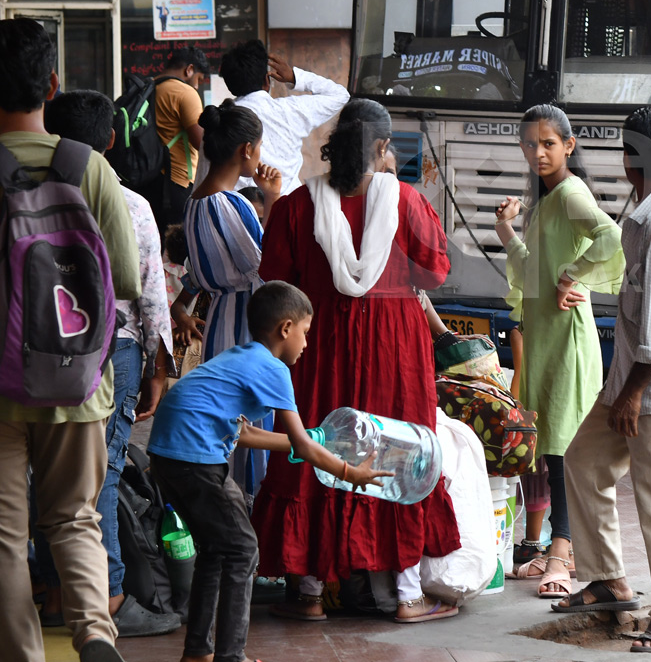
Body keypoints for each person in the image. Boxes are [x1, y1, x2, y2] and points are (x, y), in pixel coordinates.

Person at [251, 98, 460, 624]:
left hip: (317, 344)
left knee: (317, 446)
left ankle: (310, 592)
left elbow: (274, 273)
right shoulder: (407, 202)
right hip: (395, 352)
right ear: (383, 147)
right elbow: (434, 273)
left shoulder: (300, 206)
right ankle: (407, 595)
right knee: (401, 451)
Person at [148, 281, 387, 662]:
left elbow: (245, 433)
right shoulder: (273, 368)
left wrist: (313, 440)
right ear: (286, 328)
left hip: (172, 452)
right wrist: (349, 472)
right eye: (305, 334)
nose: (306, 344)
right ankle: (231, 656)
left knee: (216, 550)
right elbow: (302, 446)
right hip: (192, 457)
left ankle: (198, 652)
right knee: (243, 550)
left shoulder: (243, 357)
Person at [0, 19, 141, 662]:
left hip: (0, 384)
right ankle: (93, 634)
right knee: (74, 517)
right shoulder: (89, 168)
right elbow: (128, 280)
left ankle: (23, 652)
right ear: (52, 85)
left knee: (5, 533)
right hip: (78, 379)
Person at [554, 106, 651, 654]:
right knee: (585, 461)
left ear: (630, 159)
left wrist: (634, 393)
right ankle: (608, 581)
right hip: (632, 382)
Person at [38, 90, 180, 637]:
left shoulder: (29, 193)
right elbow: (145, 290)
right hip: (110, 347)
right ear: (111, 140)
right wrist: (157, 365)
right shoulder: (128, 204)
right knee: (99, 473)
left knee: (46, 471)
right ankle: (112, 597)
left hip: (44, 343)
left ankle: (55, 592)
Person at [494, 104, 625, 599]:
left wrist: (577, 277)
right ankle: (556, 549)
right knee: (550, 446)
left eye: (548, 143)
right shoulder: (547, 200)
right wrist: (507, 229)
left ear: (569, 145)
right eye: (529, 144)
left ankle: (563, 556)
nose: (538, 152)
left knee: (564, 447)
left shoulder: (569, 192)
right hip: (545, 336)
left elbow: (611, 237)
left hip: (567, 338)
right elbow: (535, 272)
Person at [170, 100, 281, 497]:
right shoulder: (229, 203)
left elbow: (198, 275)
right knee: (249, 424)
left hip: (220, 323)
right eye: (260, 147)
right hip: (246, 325)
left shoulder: (195, 202)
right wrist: (272, 200)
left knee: (225, 421)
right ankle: (248, 514)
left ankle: (227, 508)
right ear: (246, 150)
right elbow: (267, 264)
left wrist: (180, 306)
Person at [219, 39, 350, 196]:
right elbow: (340, 95)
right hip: (286, 210)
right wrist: (295, 77)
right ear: (267, 81)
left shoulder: (220, 120)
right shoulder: (290, 111)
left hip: (238, 212)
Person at [146, 45, 210, 233]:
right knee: (179, 249)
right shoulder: (185, 92)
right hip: (177, 181)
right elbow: (201, 143)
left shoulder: (148, 87)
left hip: (149, 180)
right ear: (189, 69)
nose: (197, 85)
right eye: (198, 78)